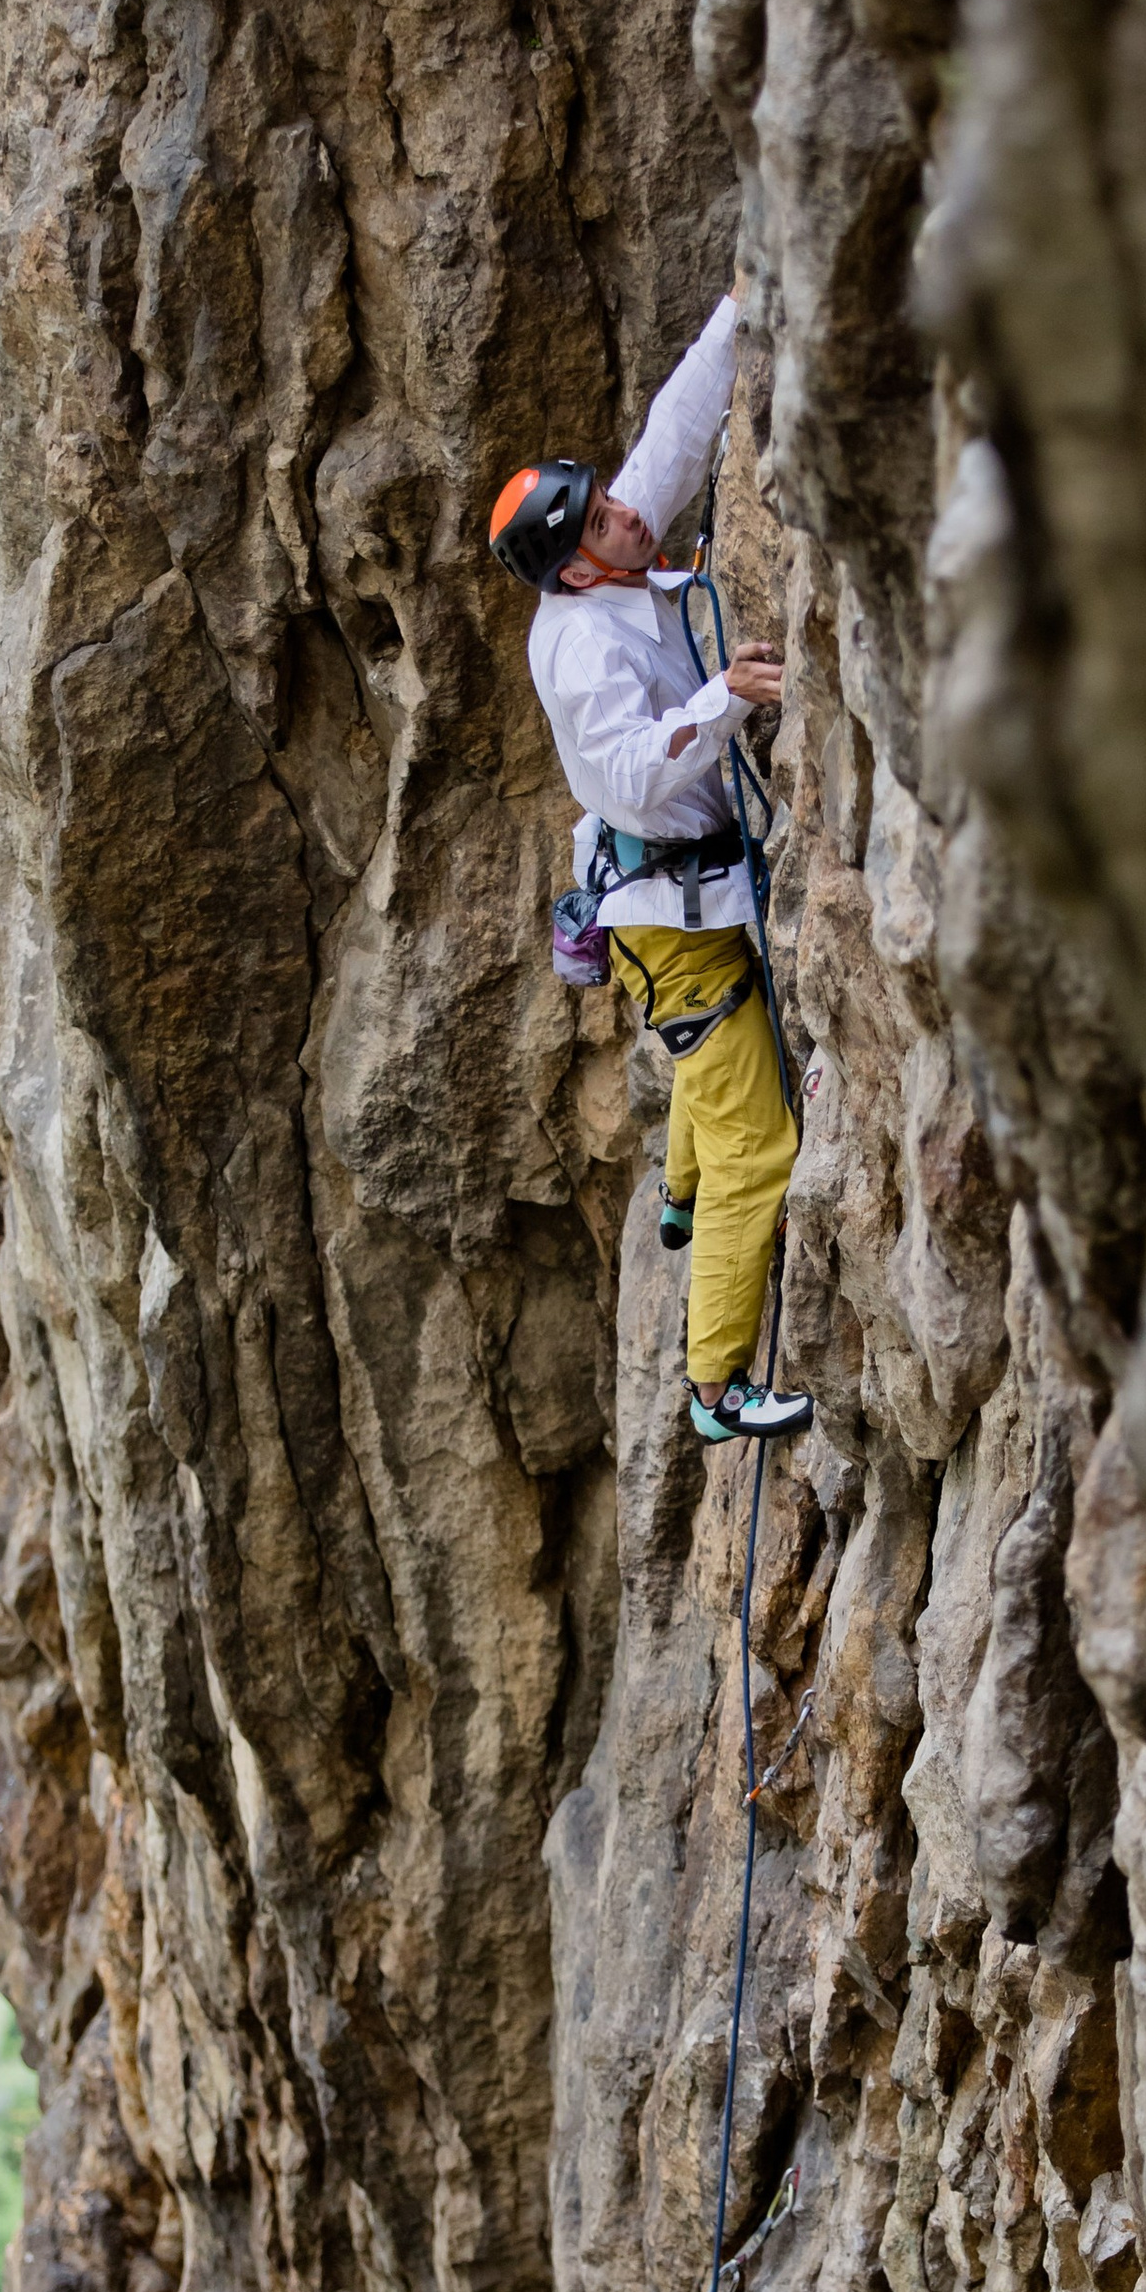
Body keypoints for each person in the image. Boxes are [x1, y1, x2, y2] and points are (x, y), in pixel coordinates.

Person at [489, 295, 812, 1447]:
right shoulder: (581, 647)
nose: (632, 513)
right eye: (606, 519)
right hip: (670, 909)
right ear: (574, 570)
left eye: (612, 501)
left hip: (681, 894)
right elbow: (627, 780)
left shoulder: (601, 555)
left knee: (714, 1059)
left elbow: (676, 434)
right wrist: (727, 700)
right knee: (760, 1139)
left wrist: (743, 303)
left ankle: (678, 1195)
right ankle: (715, 1389)